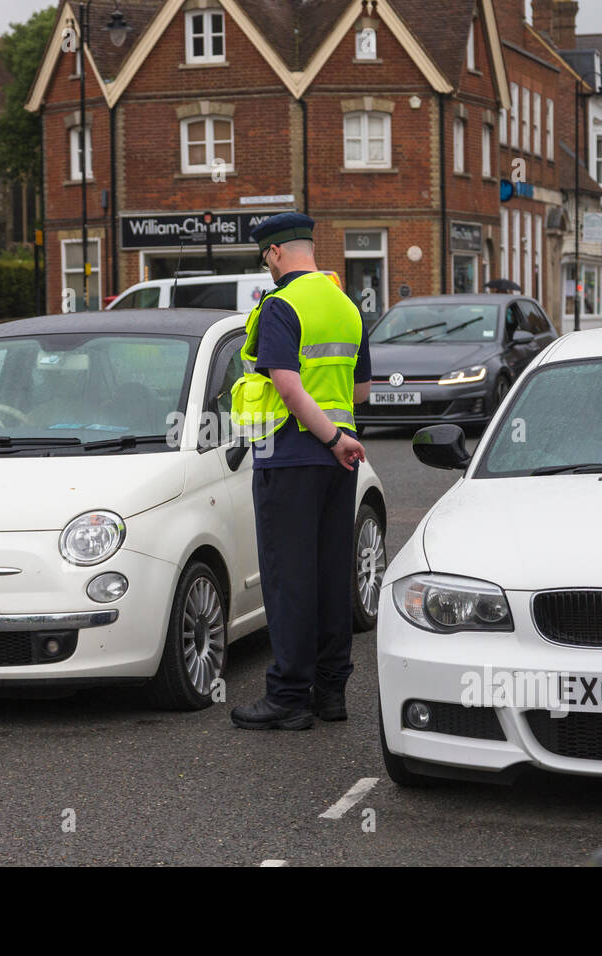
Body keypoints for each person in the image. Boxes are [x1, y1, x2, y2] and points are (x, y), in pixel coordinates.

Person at [229, 212, 371, 731]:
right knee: (331, 574)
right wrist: (340, 437)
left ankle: (288, 696)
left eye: (264, 257)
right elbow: (360, 394)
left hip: (291, 456)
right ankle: (330, 693)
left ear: (274, 254)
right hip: (341, 460)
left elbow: (288, 387)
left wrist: (326, 438)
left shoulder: (280, 305)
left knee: (290, 579)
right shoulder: (346, 305)